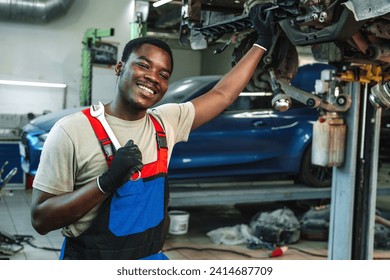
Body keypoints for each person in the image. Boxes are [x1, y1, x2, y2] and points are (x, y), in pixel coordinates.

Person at [30, 3, 276, 260]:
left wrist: (262, 42)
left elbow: (222, 94)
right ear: (119, 67)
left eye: (164, 74)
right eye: (144, 66)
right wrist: (105, 183)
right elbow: (41, 219)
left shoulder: (165, 122)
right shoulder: (72, 131)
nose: (153, 78)